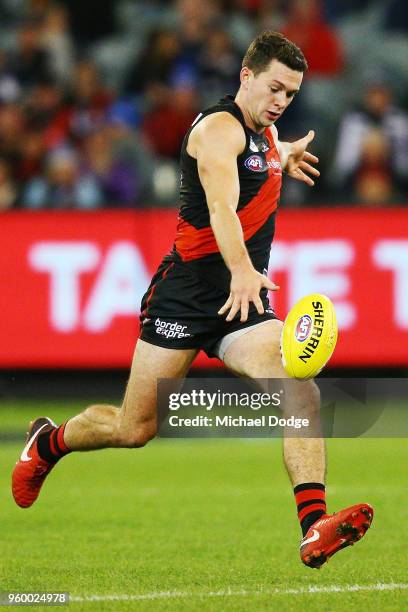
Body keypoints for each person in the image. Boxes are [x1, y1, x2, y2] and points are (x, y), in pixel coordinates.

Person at [12, 31, 373, 569]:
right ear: (246, 76)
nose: (281, 101)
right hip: (186, 296)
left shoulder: (265, 135)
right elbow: (223, 209)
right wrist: (243, 271)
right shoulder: (216, 132)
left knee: (301, 392)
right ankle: (48, 444)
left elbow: (260, 161)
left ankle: (313, 525)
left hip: (241, 305)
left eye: (291, 95)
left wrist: (284, 155)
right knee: (134, 430)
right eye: (274, 88)